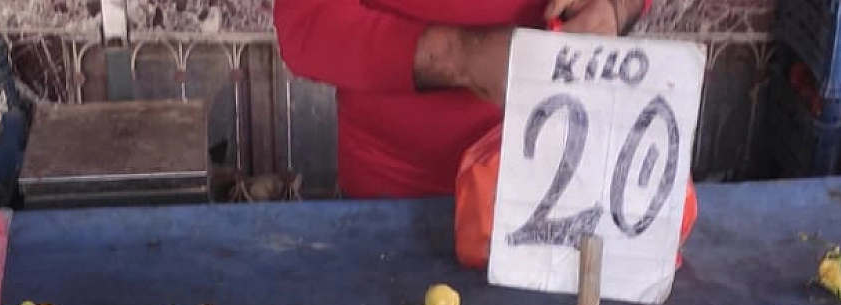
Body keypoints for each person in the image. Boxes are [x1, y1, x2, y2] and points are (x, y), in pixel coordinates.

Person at [274, 0, 651, 199]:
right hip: (397, 202)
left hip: (561, 190)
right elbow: (307, 25)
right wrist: (460, 56)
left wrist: (613, 8)